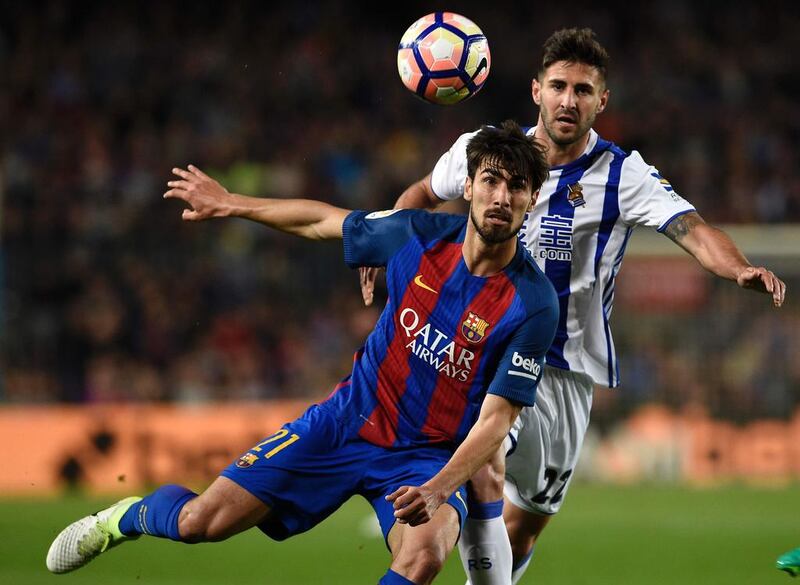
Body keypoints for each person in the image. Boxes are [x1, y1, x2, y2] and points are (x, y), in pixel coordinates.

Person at [46, 122, 559, 585]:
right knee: (200, 522)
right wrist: (233, 204)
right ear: (468, 186)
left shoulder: (534, 304)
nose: (501, 196)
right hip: (347, 421)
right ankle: (121, 519)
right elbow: (323, 222)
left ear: (532, 198)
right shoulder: (413, 235)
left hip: (427, 456)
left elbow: (496, 421)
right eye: (491, 180)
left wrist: (439, 488)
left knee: (423, 556)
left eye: (516, 186)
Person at [360, 28, 787, 585]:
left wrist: (737, 268)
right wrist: (381, 241)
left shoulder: (622, 175)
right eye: (558, 85)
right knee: (478, 462)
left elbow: (693, 229)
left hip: (564, 373)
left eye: (583, 90)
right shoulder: (486, 150)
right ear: (536, 90)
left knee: (525, 525)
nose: (569, 100)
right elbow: (421, 193)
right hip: (481, 347)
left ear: (601, 101)